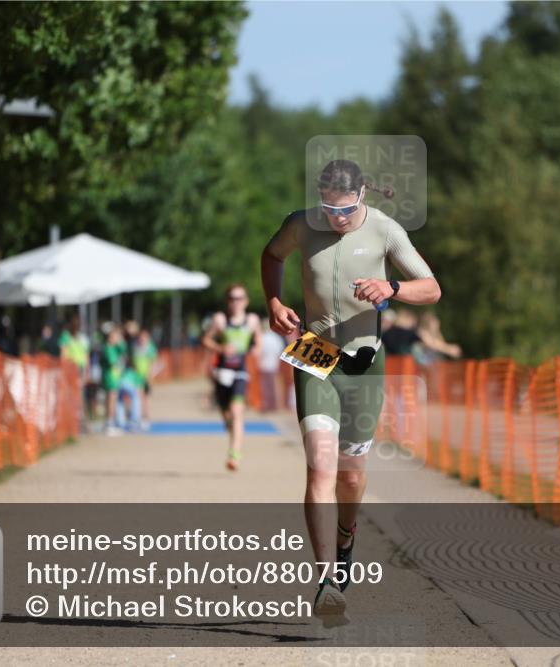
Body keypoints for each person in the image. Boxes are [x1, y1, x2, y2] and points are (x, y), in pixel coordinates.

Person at [261, 158, 441, 621]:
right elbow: (272, 256)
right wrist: (275, 302)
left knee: (350, 476)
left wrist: (391, 286)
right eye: (327, 209)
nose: (335, 219)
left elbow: (432, 288)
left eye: (344, 210)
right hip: (314, 352)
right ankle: (325, 583)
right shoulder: (300, 225)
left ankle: (346, 537)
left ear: (362, 196)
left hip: (364, 362)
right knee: (320, 467)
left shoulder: (385, 230)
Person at [201, 284, 262, 471]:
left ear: (246, 301)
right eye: (232, 298)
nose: (236, 302)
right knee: (227, 415)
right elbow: (206, 340)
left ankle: (234, 454)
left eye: (240, 298)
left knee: (237, 412)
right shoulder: (220, 320)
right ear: (228, 301)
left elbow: (258, 343)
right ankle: (232, 432)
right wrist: (221, 349)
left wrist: (253, 351)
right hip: (221, 373)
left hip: (240, 373)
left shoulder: (252, 320)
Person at [59, 313, 90, 432]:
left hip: (77, 369)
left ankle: (83, 424)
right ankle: (75, 424)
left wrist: (87, 371)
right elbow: (64, 355)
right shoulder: (67, 337)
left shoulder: (81, 338)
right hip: (72, 369)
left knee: (79, 397)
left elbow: (85, 356)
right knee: (73, 397)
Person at [100, 326, 127, 435]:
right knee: (111, 399)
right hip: (110, 377)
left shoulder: (114, 348)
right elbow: (113, 362)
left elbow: (124, 349)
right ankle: (110, 423)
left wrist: (120, 341)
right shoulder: (109, 348)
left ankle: (110, 422)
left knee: (113, 399)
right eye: (116, 337)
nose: (118, 339)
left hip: (114, 377)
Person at [258, 329, 288, 412]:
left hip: (264, 365)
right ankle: (274, 405)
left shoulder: (264, 337)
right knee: (274, 387)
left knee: (265, 387)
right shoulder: (276, 338)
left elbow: (259, 350)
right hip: (274, 365)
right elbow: (280, 350)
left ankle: (268, 405)